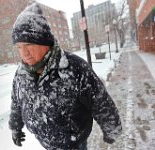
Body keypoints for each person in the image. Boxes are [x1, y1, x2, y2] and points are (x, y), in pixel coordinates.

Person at [9, 2, 122, 150]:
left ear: (45, 42)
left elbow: (100, 101)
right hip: (45, 142)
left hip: (74, 143)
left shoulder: (74, 68)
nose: (24, 53)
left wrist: (111, 129)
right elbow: (16, 101)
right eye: (19, 47)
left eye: (29, 45)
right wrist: (15, 126)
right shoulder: (21, 73)